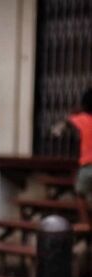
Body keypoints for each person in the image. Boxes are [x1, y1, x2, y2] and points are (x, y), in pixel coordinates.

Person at [53, 87, 92, 225]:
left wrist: (59, 129)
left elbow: (63, 125)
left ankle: (85, 222)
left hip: (87, 165)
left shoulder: (82, 119)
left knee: (80, 194)